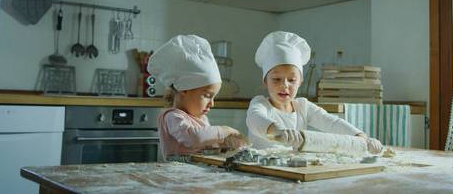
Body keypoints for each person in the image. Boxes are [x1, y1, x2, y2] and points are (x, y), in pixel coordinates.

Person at [246, 31, 383, 154]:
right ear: (265, 81)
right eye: (276, 79)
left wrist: (360, 136)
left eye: (292, 80)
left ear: (300, 82)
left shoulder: (302, 107)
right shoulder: (260, 104)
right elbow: (255, 119)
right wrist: (277, 130)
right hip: (260, 168)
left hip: (291, 169)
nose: (285, 85)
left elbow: (330, 122)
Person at [148, 35, 246, 161]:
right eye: (207, 96)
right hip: (177, 177)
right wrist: (223, 130)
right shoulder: (172, 116)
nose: (212, 104)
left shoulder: (201, 118)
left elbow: (205, 143)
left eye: (213, 97)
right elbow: (194, 139)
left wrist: (226, 144)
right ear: (184, 89)